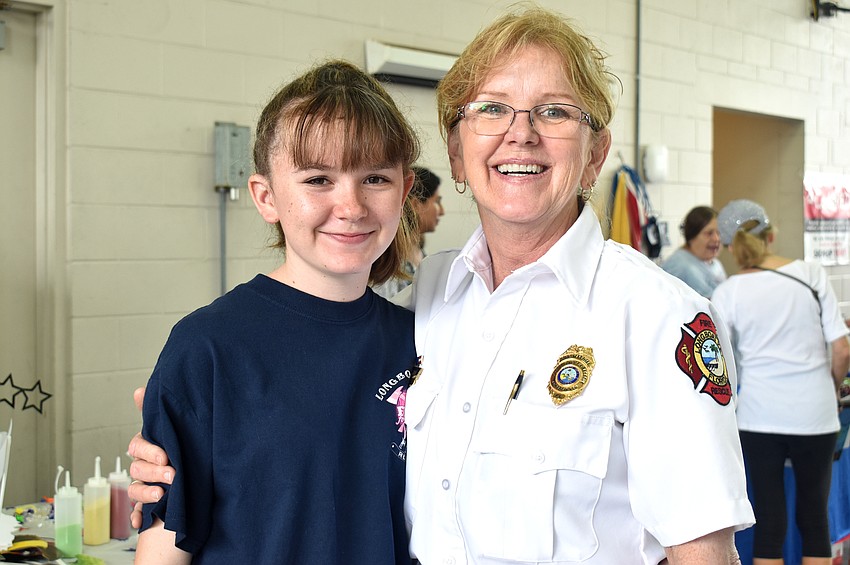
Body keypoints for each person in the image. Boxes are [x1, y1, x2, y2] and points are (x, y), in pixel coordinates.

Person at [129, 6, 755, 563]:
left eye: (555, 111)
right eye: (491, 108)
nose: (521, 132)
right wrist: (178, 435)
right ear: (456, 156)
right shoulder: (425, 302)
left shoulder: (655, 314)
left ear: (595, 154)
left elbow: (703, 549)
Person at [133, 60, 420, 564]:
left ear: (405, 189)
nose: (351, 206)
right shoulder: (207, 348)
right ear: (266, 197)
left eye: (375, 177)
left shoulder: (424, 341)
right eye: (318, 179)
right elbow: (164, 542)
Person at [712, 199, 850, 565]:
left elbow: (721, 365)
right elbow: (842, 350)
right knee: (814, 518)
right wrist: (830, 390)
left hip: (758, 418)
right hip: (816, 416)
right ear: (770, 235)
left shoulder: (727, 293)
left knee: (769, 521)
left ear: (730, 246)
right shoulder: (811, 274)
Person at [373, 166, 444, 298]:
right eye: (437, 202)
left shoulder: (418, 252)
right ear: (416, 205)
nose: (442, 211)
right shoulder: (389, 263)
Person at [662, 206, 726, 297]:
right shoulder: (680, 266)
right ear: (691, 236)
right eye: (709, 233)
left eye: (719, 233)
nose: (717, 239)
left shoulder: (714, 263)